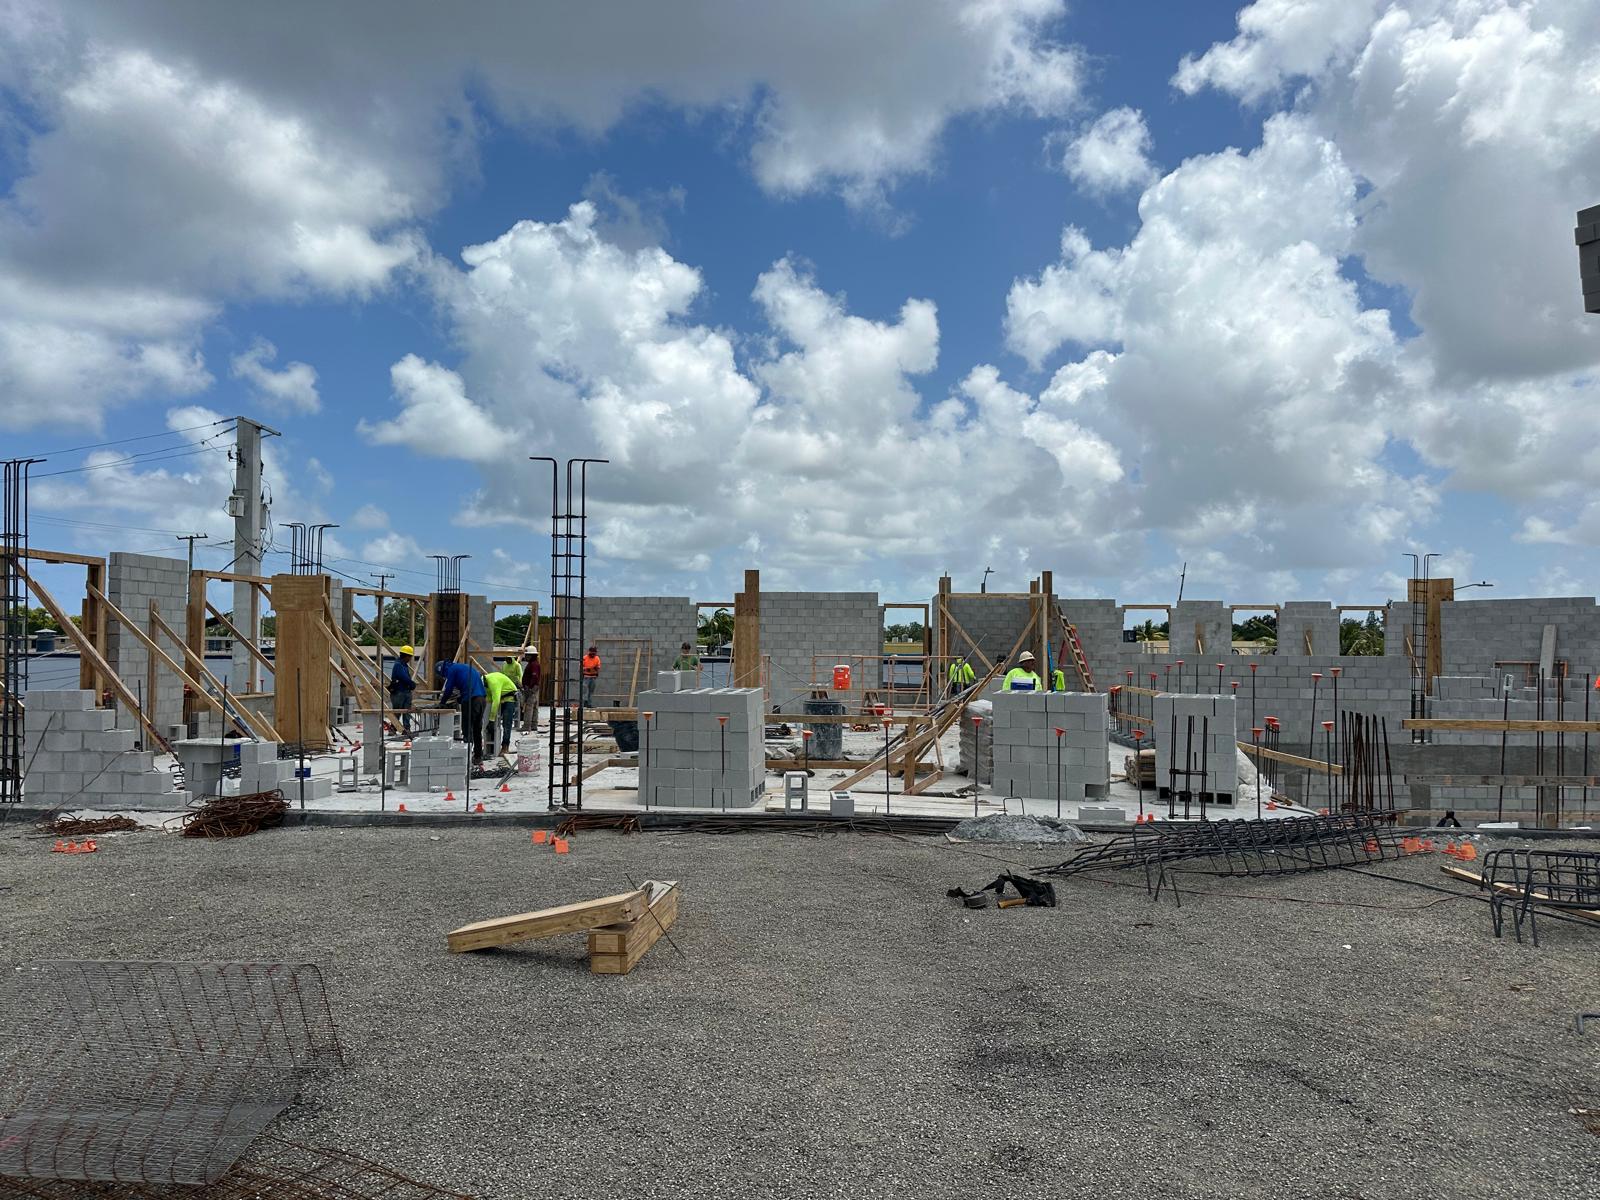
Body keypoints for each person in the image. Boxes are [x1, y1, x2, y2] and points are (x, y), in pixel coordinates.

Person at [437, 659, 486, 764]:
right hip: (481, 699)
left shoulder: (452, 670)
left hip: (471, 700)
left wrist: (442, 702)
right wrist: (461, 698)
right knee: (477, 729)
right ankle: (478, 757)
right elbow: (469, 685)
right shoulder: (464, 667)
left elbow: (449, 688)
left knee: (467, 729)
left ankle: (466, 759)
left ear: (443, 670)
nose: (445, 677)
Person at [483, 668, 519, 755]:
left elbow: (496, 701)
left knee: (507, 723)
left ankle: (505, 747)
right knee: (494, 723)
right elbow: (488, 699)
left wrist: (491, 720)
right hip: (502, 698)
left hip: (510, 698)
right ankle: (491, 747)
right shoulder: (485, 683)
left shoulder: (493, 682)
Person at [388, 645, 416, 735]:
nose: (410, 659)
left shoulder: (404, 665)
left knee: (407, 711)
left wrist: (410, 685)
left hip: (405, 692)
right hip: (398, 692)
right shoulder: (398, 665)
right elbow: (403, 677)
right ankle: (393, 728)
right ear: (406, 655)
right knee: (397, 711)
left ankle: (406, 728)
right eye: (410, 656)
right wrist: (411, 683)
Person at [519, 651, 542, 732]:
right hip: (533, 687)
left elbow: (534, 677)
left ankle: (527, 726)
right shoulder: (533, 663)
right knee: (534, 707)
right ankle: (534, 725)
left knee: (529, 707)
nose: (526, 657)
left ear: (532, 655)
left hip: (531, 688)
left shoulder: (533, 664)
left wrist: (530, 688)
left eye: (528, 655)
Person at [581, 644, 602, 709]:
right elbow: (581, 667)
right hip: (586, 677)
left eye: (594, 652)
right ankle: (585, 703)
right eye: (592, 652)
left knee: (591, 691)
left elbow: (598, 667)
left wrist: (592, 669)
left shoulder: (597, 658)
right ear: (589, 651)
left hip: (593, 677)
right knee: (584, 690)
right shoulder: (585, 658)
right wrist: (587, 669)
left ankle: (589, 704)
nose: (593, 654)